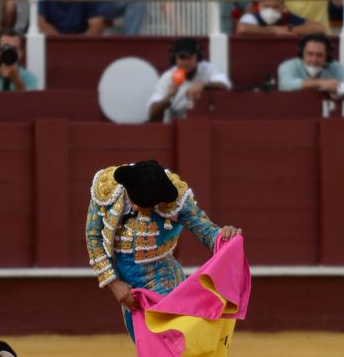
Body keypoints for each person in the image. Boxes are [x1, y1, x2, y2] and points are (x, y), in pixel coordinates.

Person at [85, 158, 240, 336]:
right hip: (128, 287)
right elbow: (93, 237)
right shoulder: (107, 187)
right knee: (145, 346)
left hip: (163, 279)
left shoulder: (173, 197)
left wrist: (224, 236)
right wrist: (113, 283)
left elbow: (206, 231)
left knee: (170, 341)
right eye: (135, 200)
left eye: (145, 205)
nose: (136, 207)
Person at [147, 37, 230, 122]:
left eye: (189, 57)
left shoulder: (206, 69)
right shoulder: (167, 78)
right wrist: (170, 97)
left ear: (197, 57)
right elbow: (152, 112)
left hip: (201, 121)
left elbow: (225, 84)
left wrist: (204, 84)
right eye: (182, 58)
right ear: (175, 59)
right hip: (174, 125)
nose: (186, 62)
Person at [276, 33, 344, 93]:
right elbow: (286, 85)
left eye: (319, 55)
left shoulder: (334, 66)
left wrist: (342, 88)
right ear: (302, 53)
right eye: (310, 54)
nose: (314, 59)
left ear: (327, 56)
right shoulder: (288, 66)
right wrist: (319, 83)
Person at [235, 0, 322, 36]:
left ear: (282, 7)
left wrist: (287, 29)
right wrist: (273, 31)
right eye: (266, 6)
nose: (270, 10)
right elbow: (242, 28)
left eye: (275, 7)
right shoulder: (252, 17)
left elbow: (319, 28)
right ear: (259, 5)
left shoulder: (287, 17)